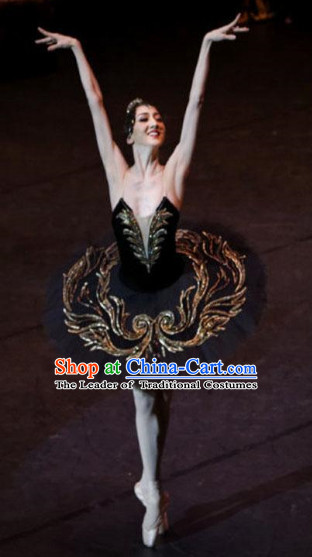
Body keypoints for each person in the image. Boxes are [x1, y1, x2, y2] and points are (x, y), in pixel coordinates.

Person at [36, 15, 249, 547]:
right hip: (130, 304)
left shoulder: (175, 171)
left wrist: (205, 44)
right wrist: (79, 47)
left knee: (159, 396)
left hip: (175, 300)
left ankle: (153, 486)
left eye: (159, 117)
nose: (156, 122)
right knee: (144, 395)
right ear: (130, 132)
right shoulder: (117, 172)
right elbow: (95, 105)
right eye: (146, 118)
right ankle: (153, 489)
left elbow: (197, 105)